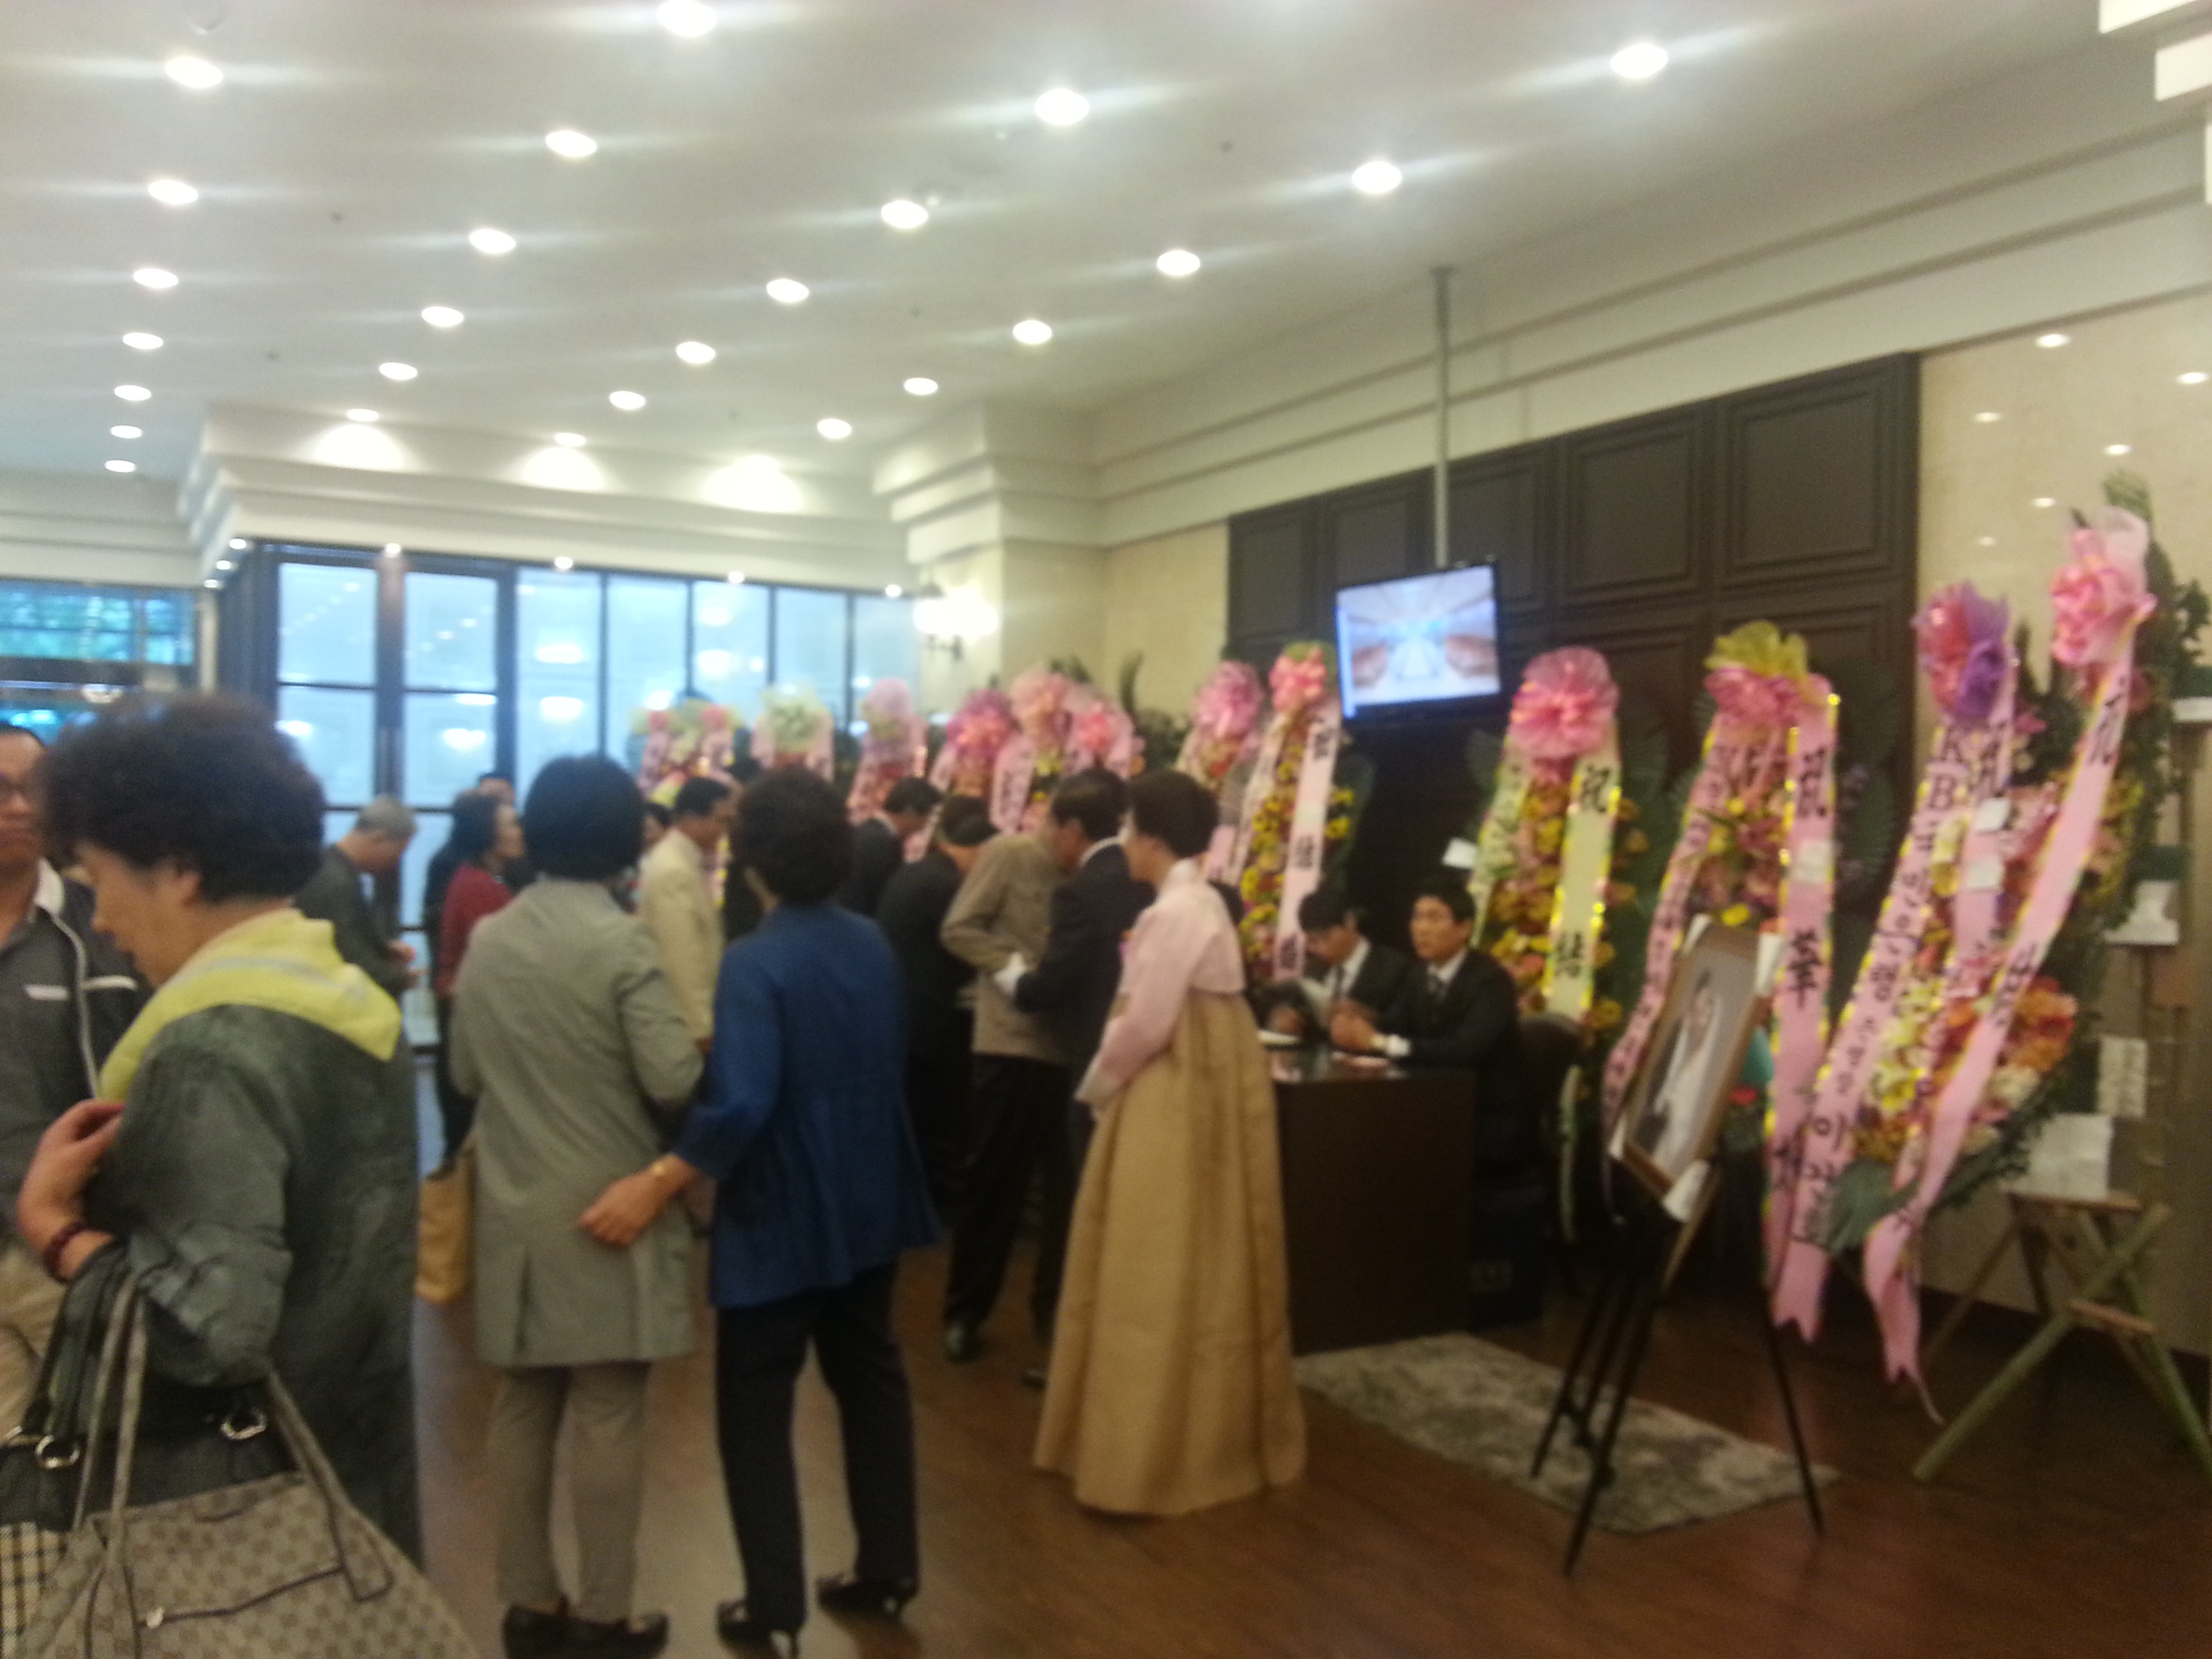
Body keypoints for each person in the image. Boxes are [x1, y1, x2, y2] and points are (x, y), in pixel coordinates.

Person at [20, 695, 422, 1553]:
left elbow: (203, 1335)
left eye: (101, 881)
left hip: (232, 1521)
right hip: (353, 1474)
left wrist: (54, 1230)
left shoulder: (204, 1050)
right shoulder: (352, 1007)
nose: (103, 921)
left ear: (178, 871)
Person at [579, 769, 936, 1650]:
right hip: (870, 1189)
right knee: (872, 1378)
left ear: (752, 860)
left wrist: (660, 1177)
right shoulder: (871, 943)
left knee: (755, 1403)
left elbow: (742, 1102)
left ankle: (773, 1605)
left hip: (782, 1203)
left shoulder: (755, 960)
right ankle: (889, 1566)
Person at [451, 755, 702, 1659]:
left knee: (523, 1402)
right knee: (608, 1406)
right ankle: (605, 1615)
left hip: (514, 1200)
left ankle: (527, 1602)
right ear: (623, 836)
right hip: (608, 1205)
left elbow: (465, 1073)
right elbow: (672, 1077)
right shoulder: (622, 942)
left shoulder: (492, 935)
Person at [1036, 769, 1304, 1515]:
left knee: (1151, 1258)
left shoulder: (1173, 912)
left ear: (1150, 837)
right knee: (1210, 1252)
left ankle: (1146, 1452)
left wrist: (1097, 1086)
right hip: (1211, 1080)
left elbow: (1146, 1024)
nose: (1125, 843)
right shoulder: (1202, 902)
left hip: (1173, 1087)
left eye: (1129, 830)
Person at [0, 723, 143, 1434]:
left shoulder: (105, 928)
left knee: (95, 1451)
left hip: (67, 1244)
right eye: (1, 790)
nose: (21, 807)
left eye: (34, 789)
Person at [937, 806, 1070, 1365]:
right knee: (994, 1184)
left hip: (1070, 1047)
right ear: (1064, 824)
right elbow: (958, 929)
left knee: (1065, 1193)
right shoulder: (1010, 854)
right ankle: (965, 1312)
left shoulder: (1096, 869)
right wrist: (1015, 972)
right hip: (1009, 1043)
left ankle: (1053, 1316)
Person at [1332, 875, 1531, 1175]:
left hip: (1483, 1120)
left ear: (1464, 928)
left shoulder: (1490, 982)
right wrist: (1358, 1024)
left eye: (1435, 918)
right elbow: (1397, 1025)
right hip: (1434, 1106)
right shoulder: (1418, 974)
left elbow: (1464, 1051)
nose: (1421, 928)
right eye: (1417, 917)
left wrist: (1379, 1042)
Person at [875, 796, 995, 1213]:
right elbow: (960, 949)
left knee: (907, 1110)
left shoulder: (915, 871)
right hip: (926, 1013)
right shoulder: (947, 886)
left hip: (898, 1005)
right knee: (924, 1114)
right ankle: (917, 1201)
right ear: (977, 851)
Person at [638, 776, 736, 1052]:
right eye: (721, 820)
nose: (725, 830)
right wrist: (701, 1029)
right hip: (687, 1029)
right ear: (691, 818)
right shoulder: (673, 869)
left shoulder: (685, 860)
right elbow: (682, 958)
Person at [292, 794, 416, 1000]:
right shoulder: (338, 883)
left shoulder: (327, 866)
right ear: (379, 839)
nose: (396, 862)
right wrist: (400, 978)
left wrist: (382, 948)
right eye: (398, 852)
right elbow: (350, 955)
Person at [1633, 972, 1724, 1181]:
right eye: (1696, 1011)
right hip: (1651, 1121)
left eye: (1705, 1016)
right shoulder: (1678, 1035)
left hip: (1669, 1131)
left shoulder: (1706, 1066)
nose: (1699, 1020)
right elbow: (1657, 1077)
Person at [434, 792, 524, 1000]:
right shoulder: (479, 887)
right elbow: (499, 955)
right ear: (488, 834)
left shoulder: (475, 876)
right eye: (512, 826)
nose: (520, 832)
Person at [840, 777, 942, 918]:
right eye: (927, 817)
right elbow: (884, 899)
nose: (924, 826)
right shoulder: (886, 845)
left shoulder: (861, 831)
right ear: (910, 812)